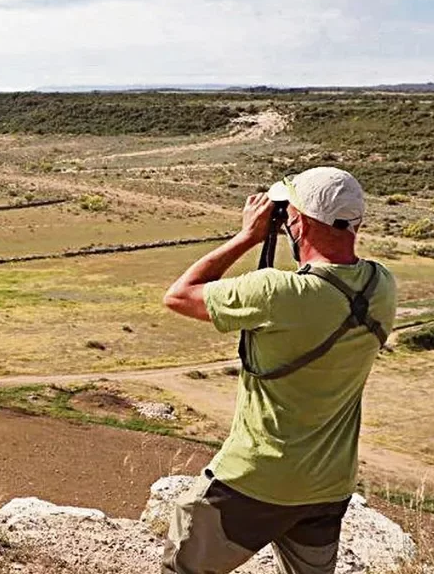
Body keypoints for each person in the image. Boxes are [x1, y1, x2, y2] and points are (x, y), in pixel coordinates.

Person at [160, 167, 397, 574]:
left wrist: (247, 237)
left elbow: (179, 296)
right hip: (329, 484)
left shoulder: (275, 292)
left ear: (298, 223)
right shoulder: (382, 286)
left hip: (253, 478)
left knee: (184, 568)